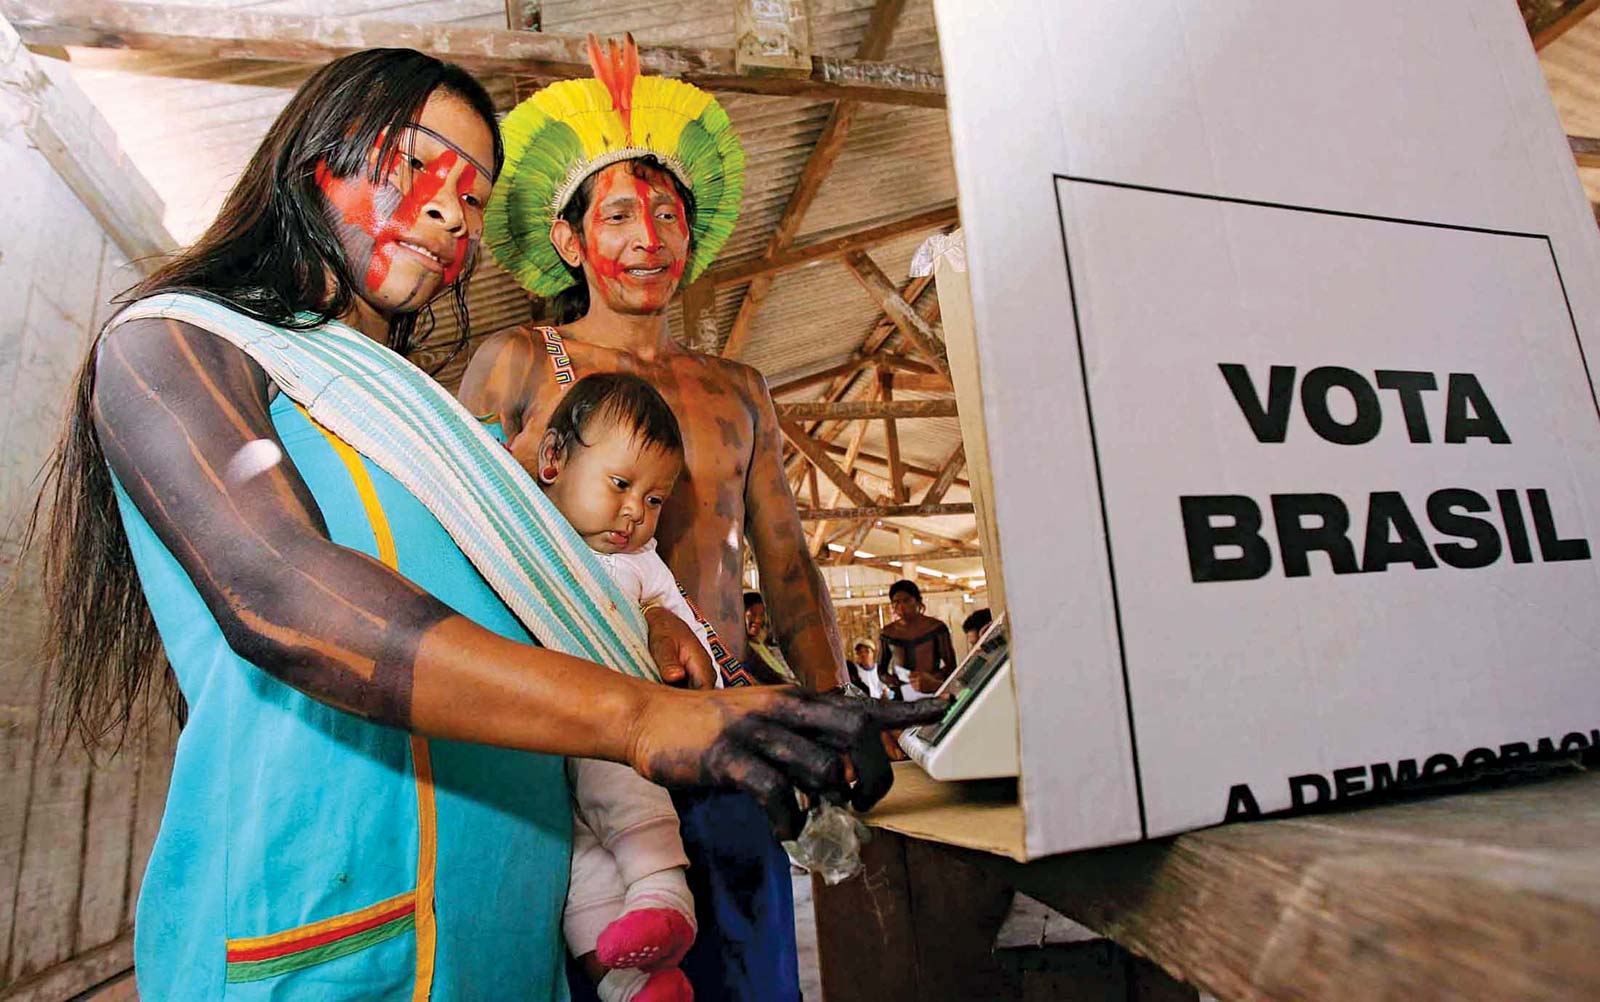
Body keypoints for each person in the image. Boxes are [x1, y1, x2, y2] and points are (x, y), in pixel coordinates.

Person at [28, 47, 943, 1001]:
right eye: (415, 163)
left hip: (507, 938)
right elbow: (283, 593)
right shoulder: (174, 348)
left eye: (474, 197)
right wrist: (645, 714)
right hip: (321, 939)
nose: (448, 210)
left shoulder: (428, 429)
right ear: (315, 159)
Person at [458, 38, 873, 1002]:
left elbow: (790, 566)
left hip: (729, 750)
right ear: (570, 242)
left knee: (749, 980)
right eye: (618, 213)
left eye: (668, 213)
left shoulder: (738, 390)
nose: (649, 234)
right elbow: (462, 540)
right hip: (578, 758)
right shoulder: (518, 361)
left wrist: (833, 703)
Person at [536, 373, 710, 1002]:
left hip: (611, 733)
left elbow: (695, 656)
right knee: (576, 865)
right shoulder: (521, 540)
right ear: (554, 459)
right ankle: (633, 984)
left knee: (625, 793)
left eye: (656, 500)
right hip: (537, 746)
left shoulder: (641, 567)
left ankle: (666, 895)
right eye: (620, 484)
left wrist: (661, 629)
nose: (636, 511)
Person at [878, 580, 959, 702]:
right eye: (896, 602)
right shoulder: (888, 633)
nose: (901, 607)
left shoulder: (936, 628)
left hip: (932, 691)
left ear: (917, 601)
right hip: (902, 694)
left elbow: (951, 665)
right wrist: (892, 681)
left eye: (906, 601)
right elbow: (881, 670)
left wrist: (930, 680)